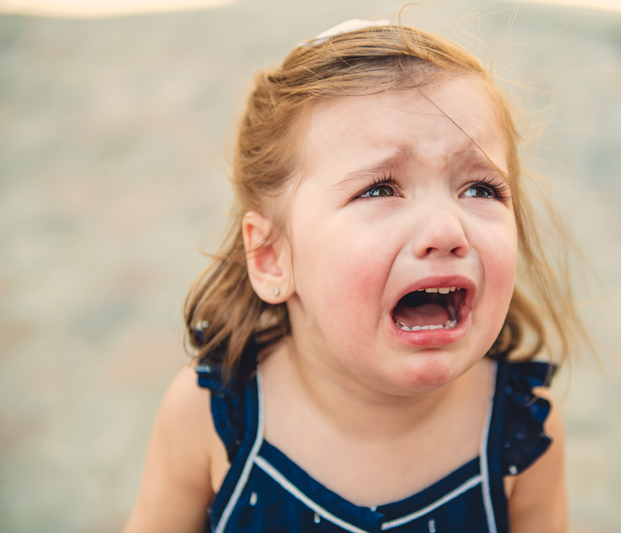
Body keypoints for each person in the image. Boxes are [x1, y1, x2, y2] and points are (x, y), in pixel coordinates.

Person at [123, 18, 584, 533]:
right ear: (274, 257)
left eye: (480, 189)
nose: (446, 228)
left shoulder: (521, 435)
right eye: (381, 189)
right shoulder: (208, 417)